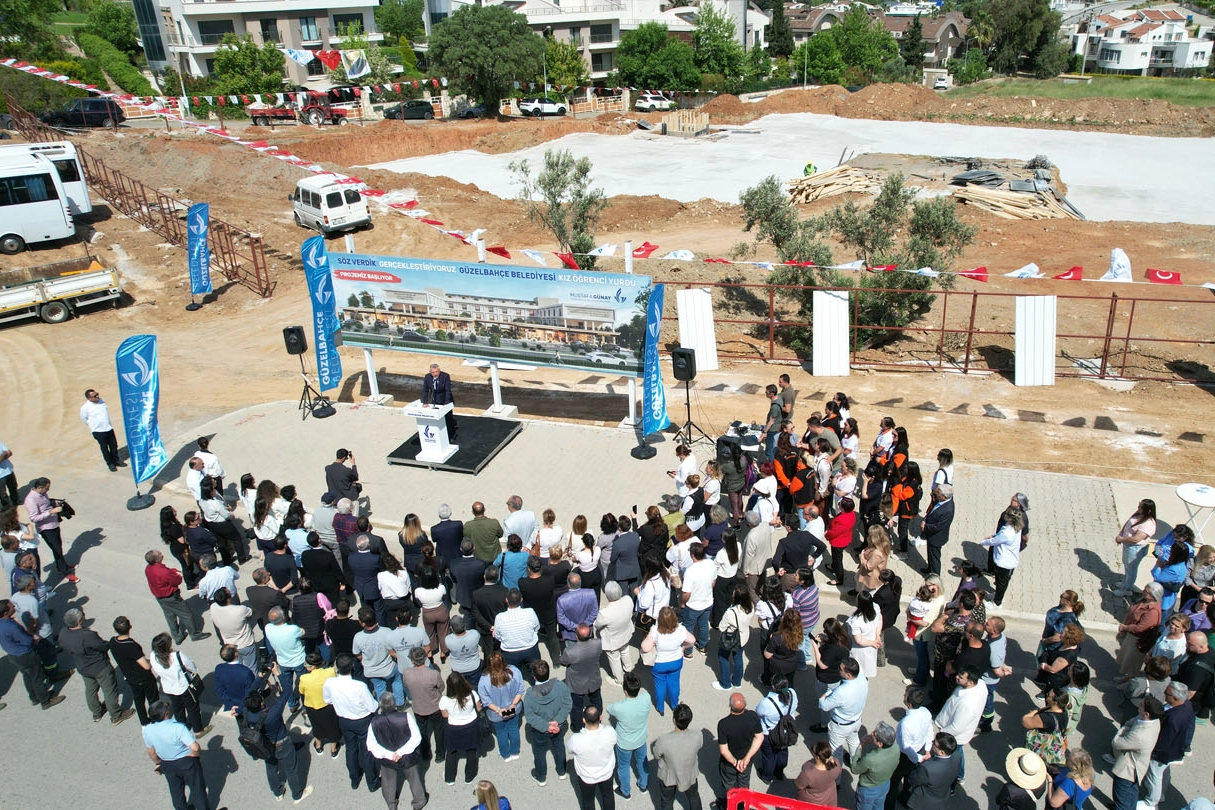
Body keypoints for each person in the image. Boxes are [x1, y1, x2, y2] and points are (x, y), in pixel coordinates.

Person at [59, 607, 134, 725]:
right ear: (79, 621)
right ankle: (116, 715)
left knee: (90, 690)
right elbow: (102, 646)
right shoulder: (87, 635)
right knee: (110, 691)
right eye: (82, 614)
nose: (84, 615)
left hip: (82, 667)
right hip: (100, 667)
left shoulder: (63, 633)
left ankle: (97, 712)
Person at [242, 682, 314, 804]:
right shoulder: (273, 712)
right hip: (282, 744)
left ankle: (278, 793)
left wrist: (259, 677)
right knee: (291, 770)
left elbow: (249, 692)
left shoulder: (247, 712)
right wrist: (277, 673)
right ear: (261, 703)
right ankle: (297, 795)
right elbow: (286, 691)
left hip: (264, 745)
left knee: (271, 769)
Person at [142, 699, 221, 810]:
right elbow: (195, 747)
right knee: (197, 789)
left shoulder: (148, 730)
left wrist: (158, 763)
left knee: (176, 792)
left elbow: (151, 751)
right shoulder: (178, 727)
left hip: (167, 763)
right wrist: (195, 754)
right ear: (166, 713)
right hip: (186, 762)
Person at [324, 653, 382, 791]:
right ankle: (372, 782)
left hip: (344, 720)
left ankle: (354, 780)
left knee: (350, 749)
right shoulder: (359, 686)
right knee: (366, 751)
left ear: (337, 668)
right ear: (352, 667)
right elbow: (373, 706)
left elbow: (327, 700)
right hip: (362, 721)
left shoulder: (330, 683)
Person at [0, 598, 68, 709]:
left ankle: (34, 697)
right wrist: (34, 638)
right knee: (37, 677)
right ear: (5, 613)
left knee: (27, 676)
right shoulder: (12, 627)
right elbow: (27, 640)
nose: (14, 607)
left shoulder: (4, 624)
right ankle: (46, 701)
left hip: (13, 655)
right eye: (12, 606)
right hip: (25, 655)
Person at [1139, 681, 1196, 810]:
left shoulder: (1173, 718)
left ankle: (1152, 801)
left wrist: (1154, 752)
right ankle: (1161, 795)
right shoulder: (1187, 705)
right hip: (1175, 750)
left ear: (1175, 698)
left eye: (1167, 693)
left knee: (1154, 776)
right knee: (1163, 773)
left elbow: (1164, 740)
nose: (1164, 695)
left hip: (1163, 753)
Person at [368, 692, 429, 810]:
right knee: (414, 779)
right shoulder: (405, 717)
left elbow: (371, 745)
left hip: (387, 759)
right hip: (407, 757)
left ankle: (391, 804)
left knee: (388, 781)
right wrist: (400, 753)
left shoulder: (374, 722)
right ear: (394, 704)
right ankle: (419, 802)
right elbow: (416, 737)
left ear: (381, 706)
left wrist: (390, 755)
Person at [1107, 695, 1163, 810]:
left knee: (1122, 797)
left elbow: (1116, 742)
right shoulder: (1155, 721)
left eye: (1141, 705)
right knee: (1132, 794)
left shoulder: (1140, 735)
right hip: (1138, 768)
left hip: (1127, 771)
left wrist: (1124, 728)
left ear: (1147, 714)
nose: (1139, 705)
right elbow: (1135, 720)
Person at [150, 632, 211, 737]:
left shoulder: (153, 656)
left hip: (169, 688)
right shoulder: (177, 656)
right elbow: (191, 667)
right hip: (184, 687)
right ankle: (198, 730)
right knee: (192, 708)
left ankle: (182, 728)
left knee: (177, 708)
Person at [524, 659, 573, 785]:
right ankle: (562, 772)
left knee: (539, 752)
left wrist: (546, 726)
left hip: (540, 730)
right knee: (559, 746)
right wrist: (557, 721)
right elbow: (567, 704)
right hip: (559, 726)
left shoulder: (530, 695)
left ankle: (541, 777)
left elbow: (530, 716)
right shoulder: (560, 686)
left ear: (534, 676)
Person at [606, 671, 652, 799]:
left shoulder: (619, 707)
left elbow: (609, 709)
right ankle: (644, 785)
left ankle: (626, 791)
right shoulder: (646, 698)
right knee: (642, 762)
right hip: (641, 739)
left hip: (624, 743)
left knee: (623, 766)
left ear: (625, 691)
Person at [643, 606, 696, 714]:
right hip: (676, 661)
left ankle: (660, 707)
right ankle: (674, 704)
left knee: (659, 685)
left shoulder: (655, 631)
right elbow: (692, 640)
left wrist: (651, 641)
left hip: (659, 663)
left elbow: (645, 647)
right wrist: (683, 648)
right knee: (674, 683)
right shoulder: (680, 629)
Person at [715, 692, 763, 810]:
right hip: (747, 761)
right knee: (744, 782)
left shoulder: (724, 724)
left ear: (729, 705)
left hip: (729, 764)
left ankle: (728, 804)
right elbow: (759, 737)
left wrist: (735, 762)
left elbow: (724, 750)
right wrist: (746, 759)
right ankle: (742, 805)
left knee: (728, 784)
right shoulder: (752, 716)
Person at [110, 615, 161, 726]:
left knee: (138, 700)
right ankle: (157, 720)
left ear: (115, 630)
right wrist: (151, 662)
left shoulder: (113, 642)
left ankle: (144, 721)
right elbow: (146, 666)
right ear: (130, 627)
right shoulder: (131, 645)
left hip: (130, 677)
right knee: (153, 699)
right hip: (143, 677)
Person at [24, 477, 77, 582]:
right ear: (39, 488)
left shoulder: (43, 494)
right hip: (46, 528)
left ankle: (61, 565)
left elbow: (45, 505)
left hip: (53, 524)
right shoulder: (31, 500)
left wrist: (53, 504)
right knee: (56, 549)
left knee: (58, 547)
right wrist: (51, 512)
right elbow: (34, 518)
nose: (48, 491)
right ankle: (65, 571)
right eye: (46, 489)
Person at [354, 606, 406, 708]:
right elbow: (394, 648)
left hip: (372, 671)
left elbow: (357, 654)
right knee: (397, 681)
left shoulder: (358, 637)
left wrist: (362, 660)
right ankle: (400, 703)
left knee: (379, 688)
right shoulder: (387, 631)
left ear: (363, 623)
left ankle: (384, 707)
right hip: (389, 668)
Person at [819, 656, 868, 764]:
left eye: (840, 669)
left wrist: (825, 695)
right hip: (856, 720)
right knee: (854, 741)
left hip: (840, 726)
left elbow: (824, 706)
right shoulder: (862, 679)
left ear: (848, 675)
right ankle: (854, 763)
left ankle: (837, 779)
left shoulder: (841, 692)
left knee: (836, 752)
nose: (838, 670)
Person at [479, 651, 526, 762]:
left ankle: (506, 754)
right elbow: (521, 690)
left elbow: (485, 701)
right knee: (514, 729)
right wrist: (513, 705)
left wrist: (499, 710)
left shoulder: (484, 679)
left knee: (501, 732)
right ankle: (515, 752)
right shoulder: (514, 671)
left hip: (497, 713)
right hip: (514, 708)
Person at [568, 705, 618, 810]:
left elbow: (570, 749)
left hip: (586, 776)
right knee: (608, 796)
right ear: (600, 717)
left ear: (583, 720)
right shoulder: (610, 732)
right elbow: (615, 742)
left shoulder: (576, 739)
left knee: (588, 801)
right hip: (606, 772)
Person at [439, 670, 482, 784]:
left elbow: (445, 715)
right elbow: (478, 709)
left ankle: (450, 778)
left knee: (452, 753)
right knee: (471, 751)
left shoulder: (444, 700)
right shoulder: (472, 694)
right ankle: (469, 776)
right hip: (471, 726)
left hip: (454, 728)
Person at [1115, 583, 1164, 681]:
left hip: (1138, 639)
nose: (1143, 591)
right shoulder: (1144, 601)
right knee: (1128, 657)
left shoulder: (1153, 611)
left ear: (1153, 595)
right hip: (1131, 635)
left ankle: (1129, 680)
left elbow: (1141, 628)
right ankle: (1127, 677)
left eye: (1146, 591)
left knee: (1132, 661)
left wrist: (1125, 627)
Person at [298, 651, 342, 757]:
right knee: (332, 727)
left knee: (316, 726)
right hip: (328, 706)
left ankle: (318, 746)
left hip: (312, 706)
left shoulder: (304, 678)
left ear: (312, 667)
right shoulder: (330, 672)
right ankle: (333, 749)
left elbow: (301, 691)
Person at [901, 732, 961, 809]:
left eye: (934, 743)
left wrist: (919, 766)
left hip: (922, 803)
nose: (932, 743)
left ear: (941, 752)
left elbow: (912, 780)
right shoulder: (957, 756)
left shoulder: (927, 768)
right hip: (942, 799)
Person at [756, 674, 797, 783]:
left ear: (773, 687)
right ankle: (779, 772)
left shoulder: (767, 702)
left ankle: (767, 776)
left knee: (769, 756)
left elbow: (758, 713)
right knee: (783, 751)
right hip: (786, 730)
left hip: (769, 733)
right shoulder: (792, 694)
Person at [562, 623, 603, 732]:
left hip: (577, 684)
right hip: (594, 680)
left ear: (576, 636)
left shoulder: (570, 651)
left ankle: (578, 726)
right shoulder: (598, 643)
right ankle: (597, 720)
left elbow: (563, 662)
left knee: (577, 707)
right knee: (596, 699)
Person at [850, 722, 899, 810]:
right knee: (879, 806)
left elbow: (855, 769)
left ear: (880, 744)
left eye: (874, 735)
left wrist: (861, 745)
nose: (872, 733)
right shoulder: (896, 748)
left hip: (868, 790)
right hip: (885, 785)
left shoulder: (870, 758)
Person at [494, 588, 541, 678]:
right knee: (537, 674)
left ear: (506, 600)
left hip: (509, 653)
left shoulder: (499, 617)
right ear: (521, 599)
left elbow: (497, 636)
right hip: (530, 649)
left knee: (511, 677)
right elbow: (536, 628)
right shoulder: (530, 612)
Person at [1115, 498, 1157, 597]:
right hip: (1128, 545)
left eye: (1140, 507)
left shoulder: (1148, 524)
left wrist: (1121, 539)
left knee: (1131, 569)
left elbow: (1136, 539)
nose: (1138, 508)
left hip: (1135, 549)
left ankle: (1126, 589)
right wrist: (1121, 533)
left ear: (1148, 510)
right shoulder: (1139, 514)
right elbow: (1128, 523)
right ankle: (1125, 582)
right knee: (1127, 565)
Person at [716, 584, 754, 690]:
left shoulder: (730, 613)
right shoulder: (750, 607)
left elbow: (721, 627)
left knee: (723, 658)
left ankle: (725, 683)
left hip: (730, 639)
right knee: (738, 658)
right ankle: (737, 682)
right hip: (743, 637)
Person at [982, 507, 1023, 606]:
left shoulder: (1007, 532)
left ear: (1010, 518)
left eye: (1006, 515)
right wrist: (994, 535)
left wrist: (983, 542)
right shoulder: (1014, 526)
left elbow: (995, 541)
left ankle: (997, 602)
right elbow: (999, 536)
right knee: (1001, 582)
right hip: (1006, 560)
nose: (1004, 516)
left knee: (1001, 583)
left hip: (1004, 562)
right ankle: (997, 595)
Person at [595, 581, 634, 684]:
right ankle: (628, 668)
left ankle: (619, 680)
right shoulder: (628, 600)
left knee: (615, 659)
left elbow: (597, 625)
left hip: (612, 640)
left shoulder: (605, 613)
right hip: (626, 633)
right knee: (625, 650)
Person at [209, 588, 257, 671]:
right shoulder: (240, 610)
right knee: (251, 666)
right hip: (245, 643)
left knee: (238, 667)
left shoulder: (213, 607)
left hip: (229, 644)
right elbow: (251, 613)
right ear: (228, 598)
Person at [80, 388, 123, 471]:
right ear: (89, 398)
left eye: (97, 394)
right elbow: (84, 419)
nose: (97, 396)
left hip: (108, 428)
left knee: (114, 445)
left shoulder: (102, 401)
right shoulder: (85, 408)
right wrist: (93, 426)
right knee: (104, 448)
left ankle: (116, 460)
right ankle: (110, 464)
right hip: (98, 431)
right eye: (94, 396)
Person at [919, 484, 955, 577]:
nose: (936, 494)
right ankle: (929, 568)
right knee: (930, 554)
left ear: (944, 496)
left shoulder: (948, 510)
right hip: (931, 536)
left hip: (936, 538)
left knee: (935, 557)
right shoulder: (942, 500)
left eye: (938, 493)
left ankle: (935, 576)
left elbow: (939, 526)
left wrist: (925, 526)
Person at [793, 740, 841, 806]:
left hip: (812, 802)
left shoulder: (808, 774)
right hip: (830, 799)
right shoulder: (836, 764)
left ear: (817, 757)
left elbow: (799, 785)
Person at [422, 363, 458, 440]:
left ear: (439, 371)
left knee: (448, 418)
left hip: (445, 399)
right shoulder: (427, 377)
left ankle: (451, 434)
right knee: (437, 418)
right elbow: (425, 391)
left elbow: (447, 390)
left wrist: (446, 402)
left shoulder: (445, 376)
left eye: (437, 372)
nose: (435, 374)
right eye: (433, 372)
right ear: (430, 372)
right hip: (434, 400)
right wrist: (425, 402)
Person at [445, 614, 483, 683]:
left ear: (452, 629)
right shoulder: (474, 634)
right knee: (475, 686)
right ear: (464, 626)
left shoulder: (448, 640)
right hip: (474, 667)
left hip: (458, 669)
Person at [758, 385, 783, 461]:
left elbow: (771, 421)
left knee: (770, 450)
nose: (765, 392)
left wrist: (764, 432)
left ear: (771, 394)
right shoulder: (779, 398)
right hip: (777, 427)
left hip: (773, 430)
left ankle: (771, 466)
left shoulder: (774, 407)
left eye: (767, 392)